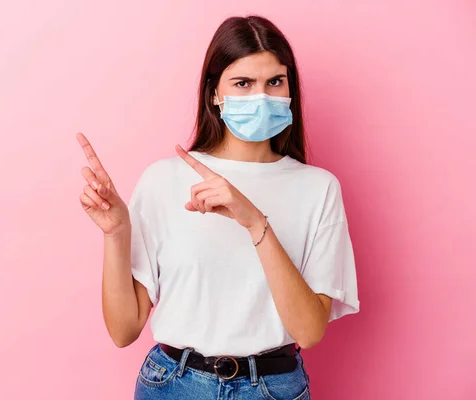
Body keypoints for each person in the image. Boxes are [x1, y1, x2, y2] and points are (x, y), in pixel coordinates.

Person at [77, 14, 359, 400]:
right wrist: (116, 234)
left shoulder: (319, 189)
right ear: (214, 93)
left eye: (274, 82)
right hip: (173, 384)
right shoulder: (164, 180)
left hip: (272, 388)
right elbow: (124, 330)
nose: (260, 97)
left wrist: (256, 222)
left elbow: (310, 332)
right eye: (243, 83)